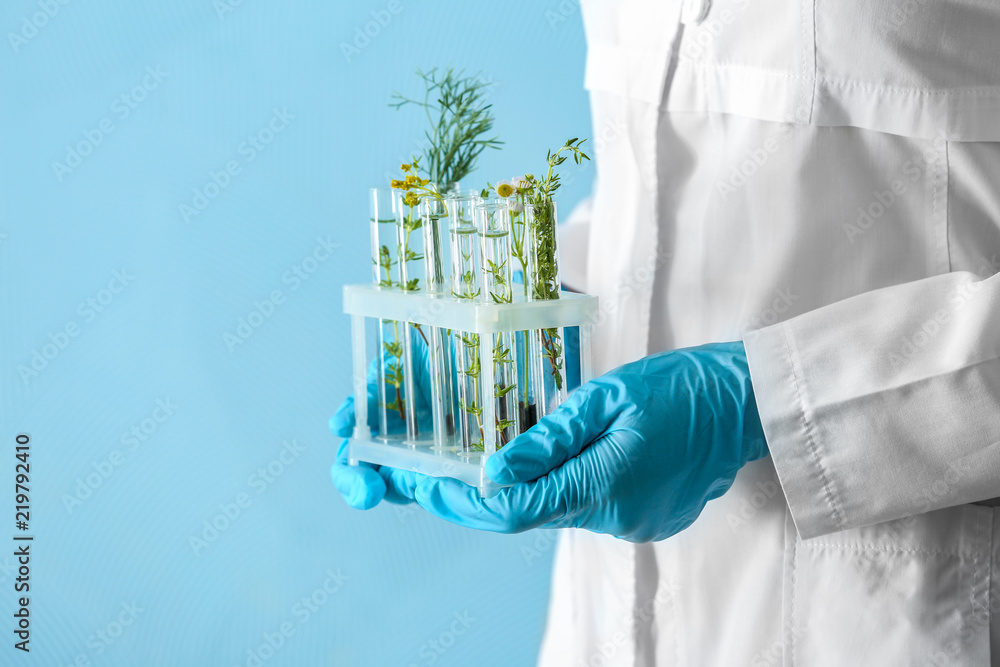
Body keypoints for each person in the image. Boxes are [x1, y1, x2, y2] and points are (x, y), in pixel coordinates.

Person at [332, 0, 1000, 663]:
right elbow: (660, 183)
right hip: (602, 616)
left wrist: (762, 400)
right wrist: (542, 322)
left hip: (886, 610)